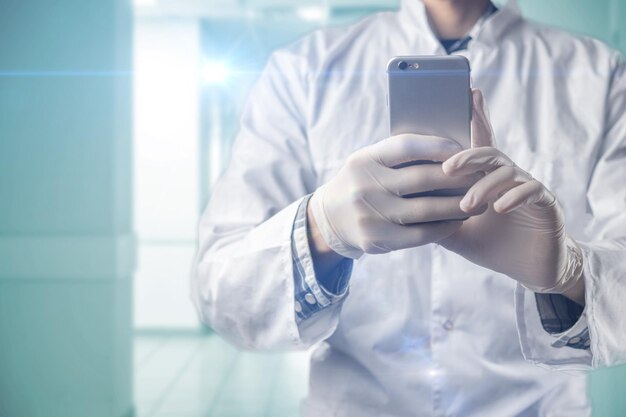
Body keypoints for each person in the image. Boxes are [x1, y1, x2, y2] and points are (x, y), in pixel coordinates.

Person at [191, 0, 626, 415]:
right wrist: (322, 229)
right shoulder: (303, 70)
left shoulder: (600, 75)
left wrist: (566, 274)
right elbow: (221, 290)